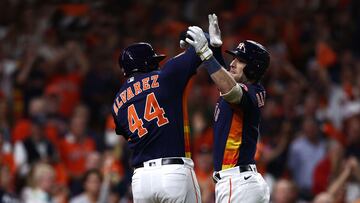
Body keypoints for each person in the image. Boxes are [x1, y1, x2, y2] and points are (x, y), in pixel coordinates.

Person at [111, 34, 221, 202]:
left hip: (141, 180)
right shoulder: (166, 76)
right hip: (173, 172)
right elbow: (203, 41)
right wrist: (194, 42)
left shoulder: (117, 103)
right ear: (148, 63)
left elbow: (127, 134)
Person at [184, 14, 270, 202]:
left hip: (237, 182)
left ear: (253, 67)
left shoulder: (251, 92)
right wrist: (215, 49)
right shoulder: (251, 90)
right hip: (243, 182)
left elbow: (230, 89)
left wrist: (205, 54)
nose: (232, 63)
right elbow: (227, 80)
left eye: (240, 60)